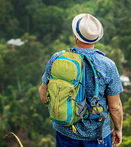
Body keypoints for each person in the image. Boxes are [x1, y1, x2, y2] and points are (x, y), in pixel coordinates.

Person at [39, 13, 123, 147]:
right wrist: (118, 129)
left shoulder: (57, 58)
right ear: (96, 38)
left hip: (65, 133)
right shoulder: (108, 65)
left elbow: (44, 95)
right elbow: (115, 106)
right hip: (98, 136)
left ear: (75, 35)